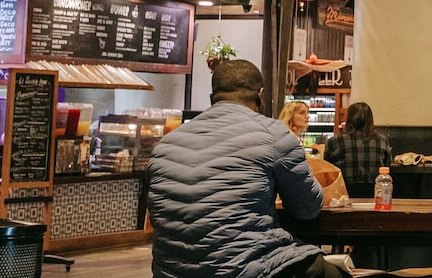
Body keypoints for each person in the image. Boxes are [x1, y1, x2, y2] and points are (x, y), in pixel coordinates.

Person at [148, 60, 345, 278]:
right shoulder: (274, 135)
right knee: (334, 273)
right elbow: (307, 208)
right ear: (261, 95)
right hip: (247, 269)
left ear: (212, 98)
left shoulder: (165, 145)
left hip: (170, 272)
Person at [323, 103, 393, 198]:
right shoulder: (381, 140)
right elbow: (387, 166)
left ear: (349, 119)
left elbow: (327, 170)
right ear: (370, 120)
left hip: (343, 194)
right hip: (375, 194)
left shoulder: (335, 141)